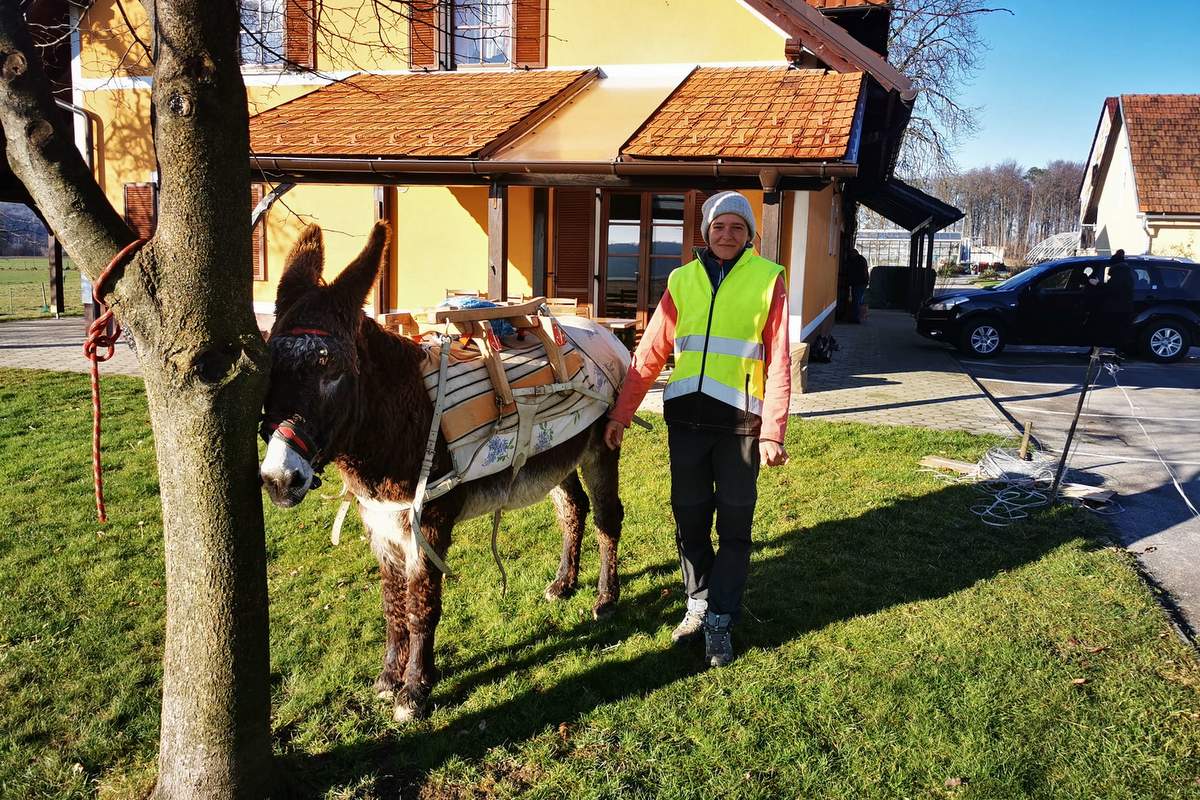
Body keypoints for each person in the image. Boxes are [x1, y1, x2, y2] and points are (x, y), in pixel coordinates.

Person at [604, 191, 791, 668]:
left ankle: (721, 621)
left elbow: (780, 362)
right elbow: (649, 353)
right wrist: (622, 413)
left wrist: (773, 431)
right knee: (689, 521)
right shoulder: (682, 280)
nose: (727, 235)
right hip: (685, 422)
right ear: (705, 231)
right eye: (719, 226)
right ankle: (698, 602)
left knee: (734, 526)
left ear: (750, 235)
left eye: (737, 227)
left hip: (739, 427)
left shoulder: (769, 280)